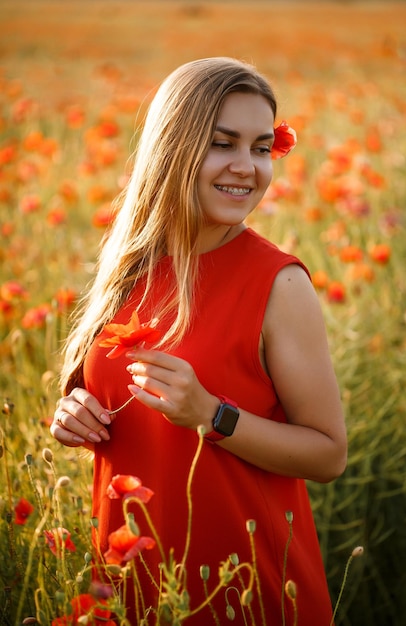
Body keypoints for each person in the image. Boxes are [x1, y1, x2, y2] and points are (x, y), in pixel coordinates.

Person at [51, 57, 347, 625]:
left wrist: (213, 414)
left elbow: (328, 453)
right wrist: (75, 416)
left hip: (242, 592)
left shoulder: (278, 283)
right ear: (173, 147)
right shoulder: (129, 267)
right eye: (223, 143)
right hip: (130, 588)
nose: (247, 167)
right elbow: (120, 410)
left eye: (262, 147)